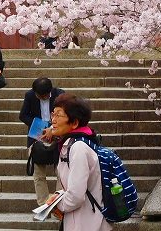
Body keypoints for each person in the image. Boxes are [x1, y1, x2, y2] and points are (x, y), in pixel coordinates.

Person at [44, 93, 111, 231]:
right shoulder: (71, 144)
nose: (53, 120)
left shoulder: (78, 148)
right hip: (82, 221)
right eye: (53, 114)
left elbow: (75, 196)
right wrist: (58, 196)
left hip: (88, 223)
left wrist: (56, 205)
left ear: (74, 123)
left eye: (59, 115)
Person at [19, 76, 65, 205]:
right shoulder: (30, 95)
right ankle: (43, 205)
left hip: (57, 136)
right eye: (37, 95)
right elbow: (23, 115)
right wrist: (41, 127)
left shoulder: (60, 95)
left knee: (61, 173)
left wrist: (51, 128)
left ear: (48, 93)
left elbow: (66, 116)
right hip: (37, 136)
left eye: (42, 95)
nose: (39, 97)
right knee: (38, 174)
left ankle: (58, 205)